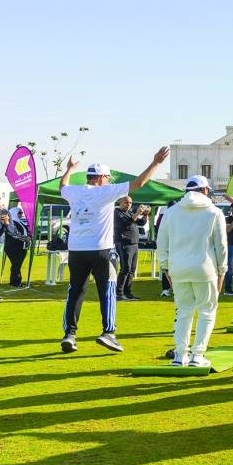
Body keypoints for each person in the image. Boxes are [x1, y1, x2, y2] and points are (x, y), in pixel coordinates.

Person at [58, 148, 169, 353]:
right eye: (107, 178)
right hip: (101, 250)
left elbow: (62, 185)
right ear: (100, 178)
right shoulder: (105, 191)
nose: (109, 181)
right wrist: (155, 163)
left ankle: (69, 335)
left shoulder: (75, 191)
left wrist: (70, 169)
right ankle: (108, 332)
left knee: (75, 291)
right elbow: (138, 184)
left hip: (76, 251)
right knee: (107, 290)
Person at [157, 175, 228, 367]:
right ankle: (198, 355)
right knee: (207, 312)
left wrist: (166, 269)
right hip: (205, 269)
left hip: (178, 268)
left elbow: (161, 245)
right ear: (205, 190)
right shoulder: (214, 212)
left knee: (183, 312)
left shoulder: (171, 213)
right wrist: (222, 271)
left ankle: (180, 355)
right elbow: (221, 247)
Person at [114, 197, 150, 300]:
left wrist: (145, 215)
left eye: (130, 202)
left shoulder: (129, 212)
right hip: (124, 243)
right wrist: (138, 213)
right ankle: (119, 293)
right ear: (120, 202)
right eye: (126, 202)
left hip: (134, 243)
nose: (128, 204)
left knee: (132, 270)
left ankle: (128, 292)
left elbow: (141, 223)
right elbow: (127, 222)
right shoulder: (117, 212)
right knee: (125, 268)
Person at [0, 207, 30, 287]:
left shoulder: (19, 221)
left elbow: (25, 231)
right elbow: (14, 233)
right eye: (19, 213)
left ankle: (15, 281)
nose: (21, 214)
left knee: (17, 265)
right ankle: (16, 282)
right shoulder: (12, 222)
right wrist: (25, 238)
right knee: (16, 265)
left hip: (20, 247)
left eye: (21, 213)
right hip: (13, 247)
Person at [155, 201, 177, 297]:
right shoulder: (166, 216)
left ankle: (167, 289)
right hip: (170, 246)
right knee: (167, 268)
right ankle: (167, 289)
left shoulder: (164, 215)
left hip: (171, 246)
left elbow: (157, 229)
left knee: (167, 268)